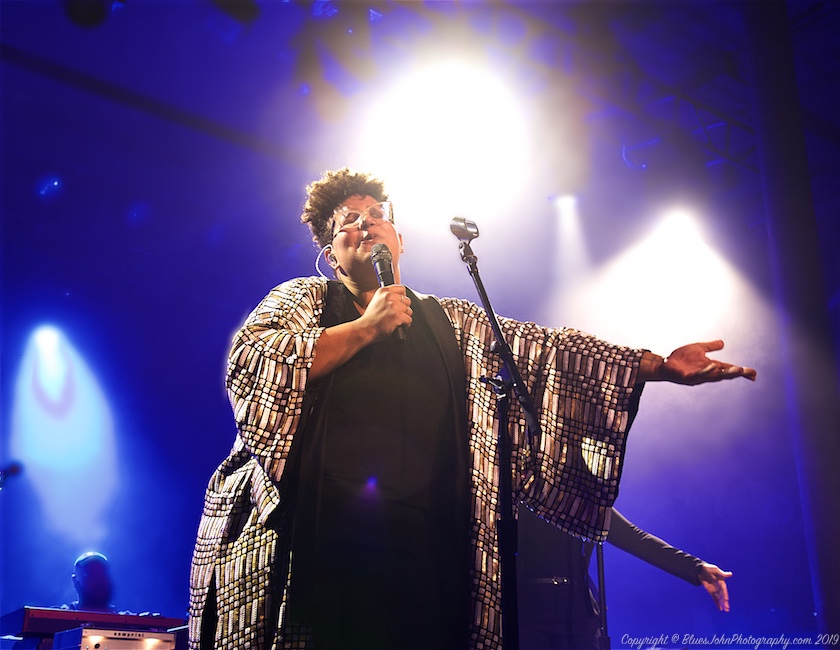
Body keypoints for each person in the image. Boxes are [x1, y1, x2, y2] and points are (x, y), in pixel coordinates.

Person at [187, 168, 756, 650]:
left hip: (428, 548)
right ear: (330, 254)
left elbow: (548, 353)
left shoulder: (451, 322)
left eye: (377, 214)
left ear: (400, 240)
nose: (366, 223)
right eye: (348, 222)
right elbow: (254, 362)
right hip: (323, 543)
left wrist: (659, 365)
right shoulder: (307, 299)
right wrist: (365, 328)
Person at [518, 507, 732, 650]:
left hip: (578, 610)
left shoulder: (585, 497)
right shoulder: (517, 493)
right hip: (526, 610)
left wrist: (696, 567)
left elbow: (635, 538)